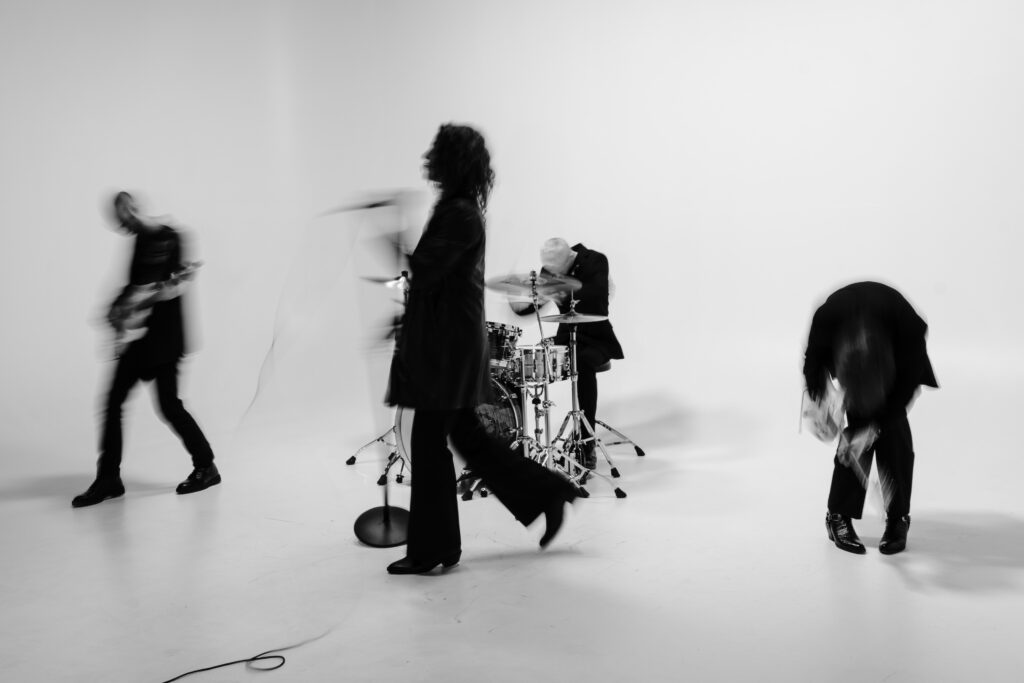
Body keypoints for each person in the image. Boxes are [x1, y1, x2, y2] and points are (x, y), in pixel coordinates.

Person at [385, 123, 578, 575]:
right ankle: (548, 493)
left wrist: (390, 241)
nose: (427, 159)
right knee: (465, 438)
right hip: (450, 342)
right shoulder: (459, 208)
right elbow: (434, 277)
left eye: (435, 153)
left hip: (447, 348)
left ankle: (431, 549)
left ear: (451, 162)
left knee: (429, 443)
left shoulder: (459, 213)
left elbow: (427, 270)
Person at [72, 192, 219, 508]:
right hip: (139, 341)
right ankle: (108, 479)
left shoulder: (170, 238)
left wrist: (131, 303)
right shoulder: (140, 240)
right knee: (114, 403)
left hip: (163, 341)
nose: (121, 226)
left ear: (132, 208)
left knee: (168, 406)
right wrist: (115, 309)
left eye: (123, 218)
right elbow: (137, 283)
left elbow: (164, 286)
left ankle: (206, 467)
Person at [803, 281, 937, 555]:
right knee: (855, 439)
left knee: (893, 432)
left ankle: (898, 517)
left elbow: (904, 391)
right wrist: (820, 403)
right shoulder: (826, 319)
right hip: (848, 348)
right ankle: (838, 516)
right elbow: (812, 364)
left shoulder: (907, 335)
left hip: (896, 357)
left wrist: (876, 427)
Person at [536, 238, 624, 469]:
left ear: (569, 256)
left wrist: (558, 287)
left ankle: (587, 441)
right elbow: (537, 300)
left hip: (596, 337)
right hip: (566, 335)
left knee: (583, 363)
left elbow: (595, 296)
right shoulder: (550, 268)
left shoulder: (596, 260)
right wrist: (525, 299)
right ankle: (532, 438)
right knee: (535, 357)